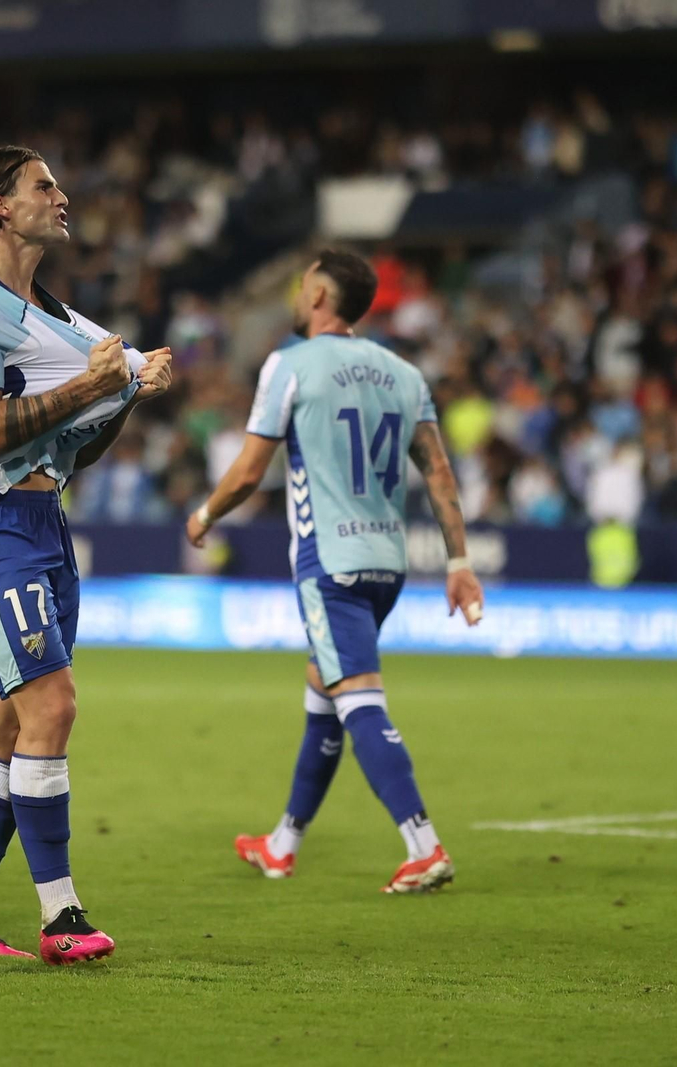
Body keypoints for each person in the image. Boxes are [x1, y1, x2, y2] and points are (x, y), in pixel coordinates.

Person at [0, 146, 172, 964]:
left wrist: (124, 394)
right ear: (1, 205)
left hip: (46, 523)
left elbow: (79, 448)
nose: (62, 196)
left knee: (11, 721)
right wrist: (96, 386)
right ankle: (62, 917)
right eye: (44, 184)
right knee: (52, 706)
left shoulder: (63, 321)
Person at [186, 249, 482, 894]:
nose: (296, 295)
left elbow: (247, 470)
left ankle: (423, 845)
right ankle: (282, 844)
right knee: (325, 692)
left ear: (320, 295)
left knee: (359, 700)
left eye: (301, 286)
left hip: (330, 564)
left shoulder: (289, 365)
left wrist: (205, 514)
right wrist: (459, 561)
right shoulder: (403, 373)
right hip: (387, 562)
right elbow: (436, 469)